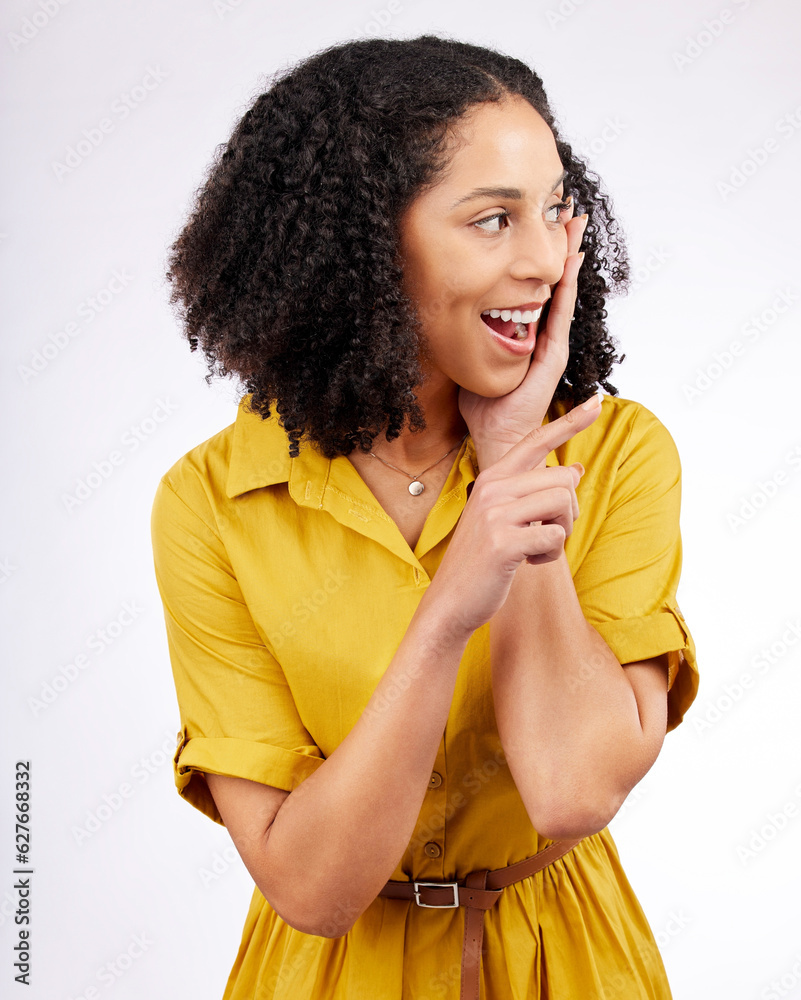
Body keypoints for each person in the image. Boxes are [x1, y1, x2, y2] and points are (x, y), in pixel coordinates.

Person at [151, 34, 699, 1000]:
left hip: (564, 963)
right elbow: (310, 889)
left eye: (555, 210)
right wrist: (448, 613)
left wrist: (512, 458)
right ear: (360, 245)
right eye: (492, 219)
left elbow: (572, 792)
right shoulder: (212, 501)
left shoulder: (618, 456)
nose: (543, 259)